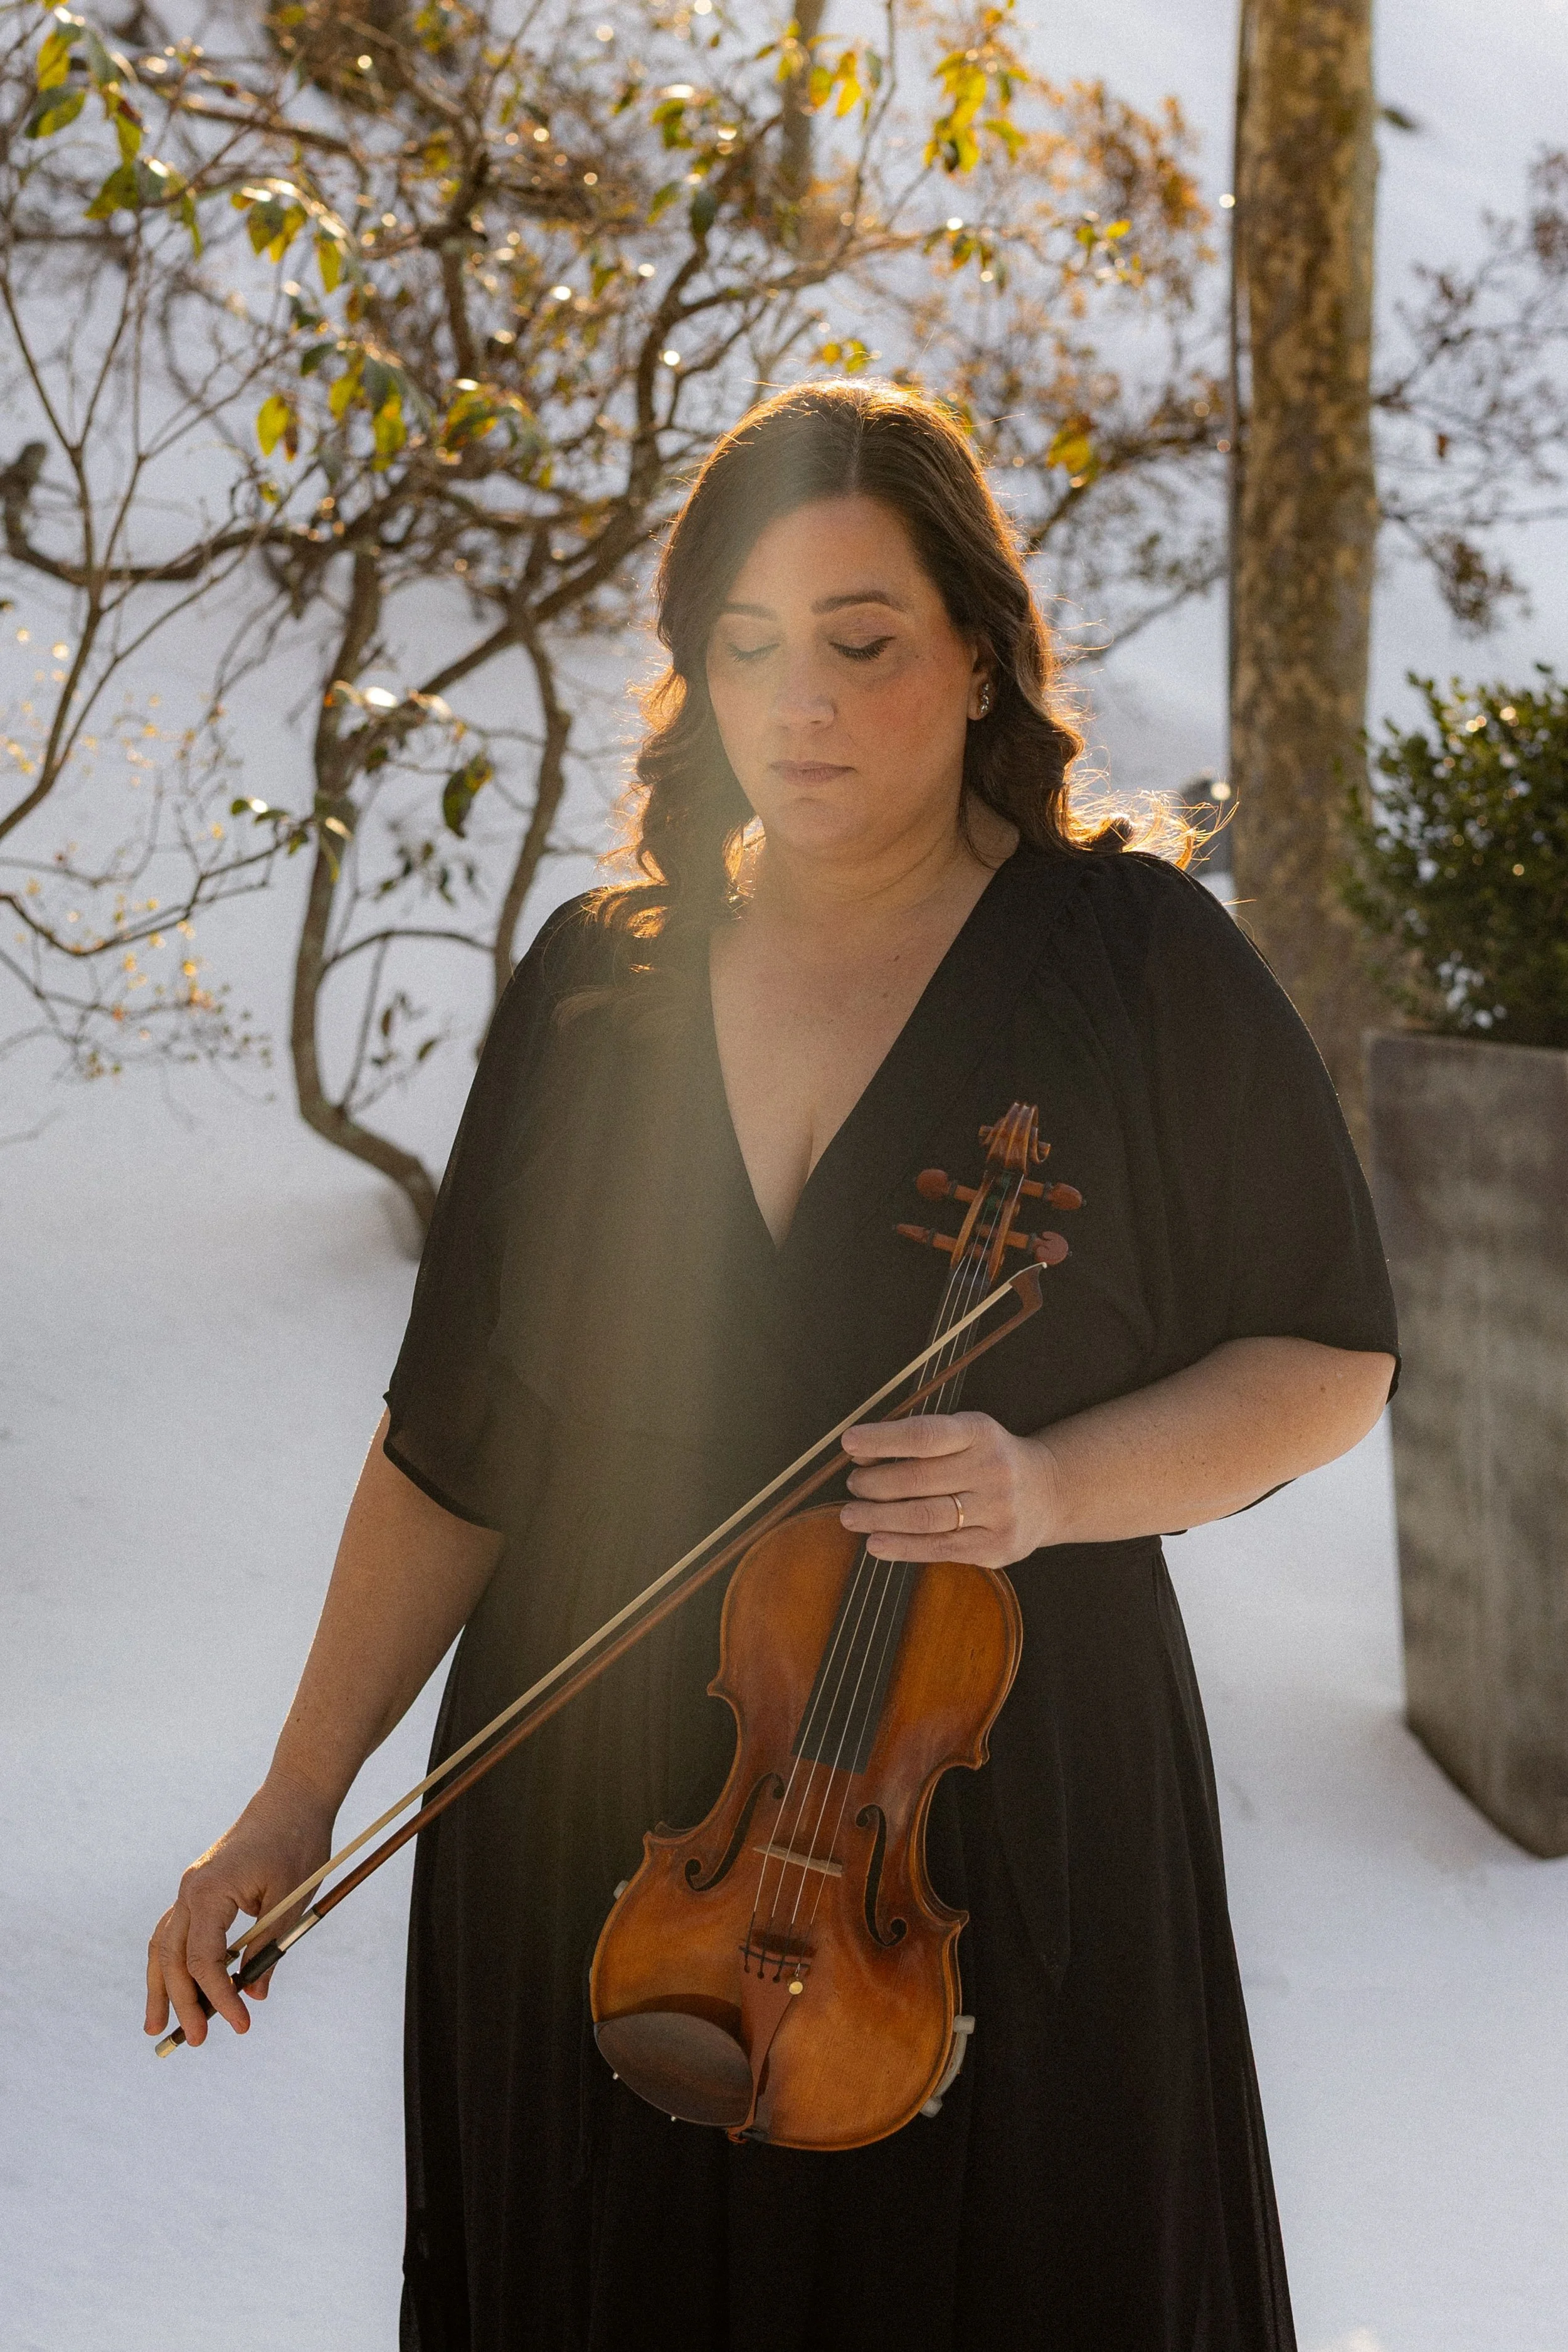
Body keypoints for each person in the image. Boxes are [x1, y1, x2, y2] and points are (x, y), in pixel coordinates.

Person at [146, 381, 1397, 2351]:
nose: (796, 700)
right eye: (742, 647)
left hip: (978, 1821)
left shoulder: (1133, 959)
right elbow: (452, 1443)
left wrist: (1051, 1487)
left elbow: (1329, 1357)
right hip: (605, 1840)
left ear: (978, 651)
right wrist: (292, 1804)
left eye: (858, 641)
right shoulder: (596, 984)